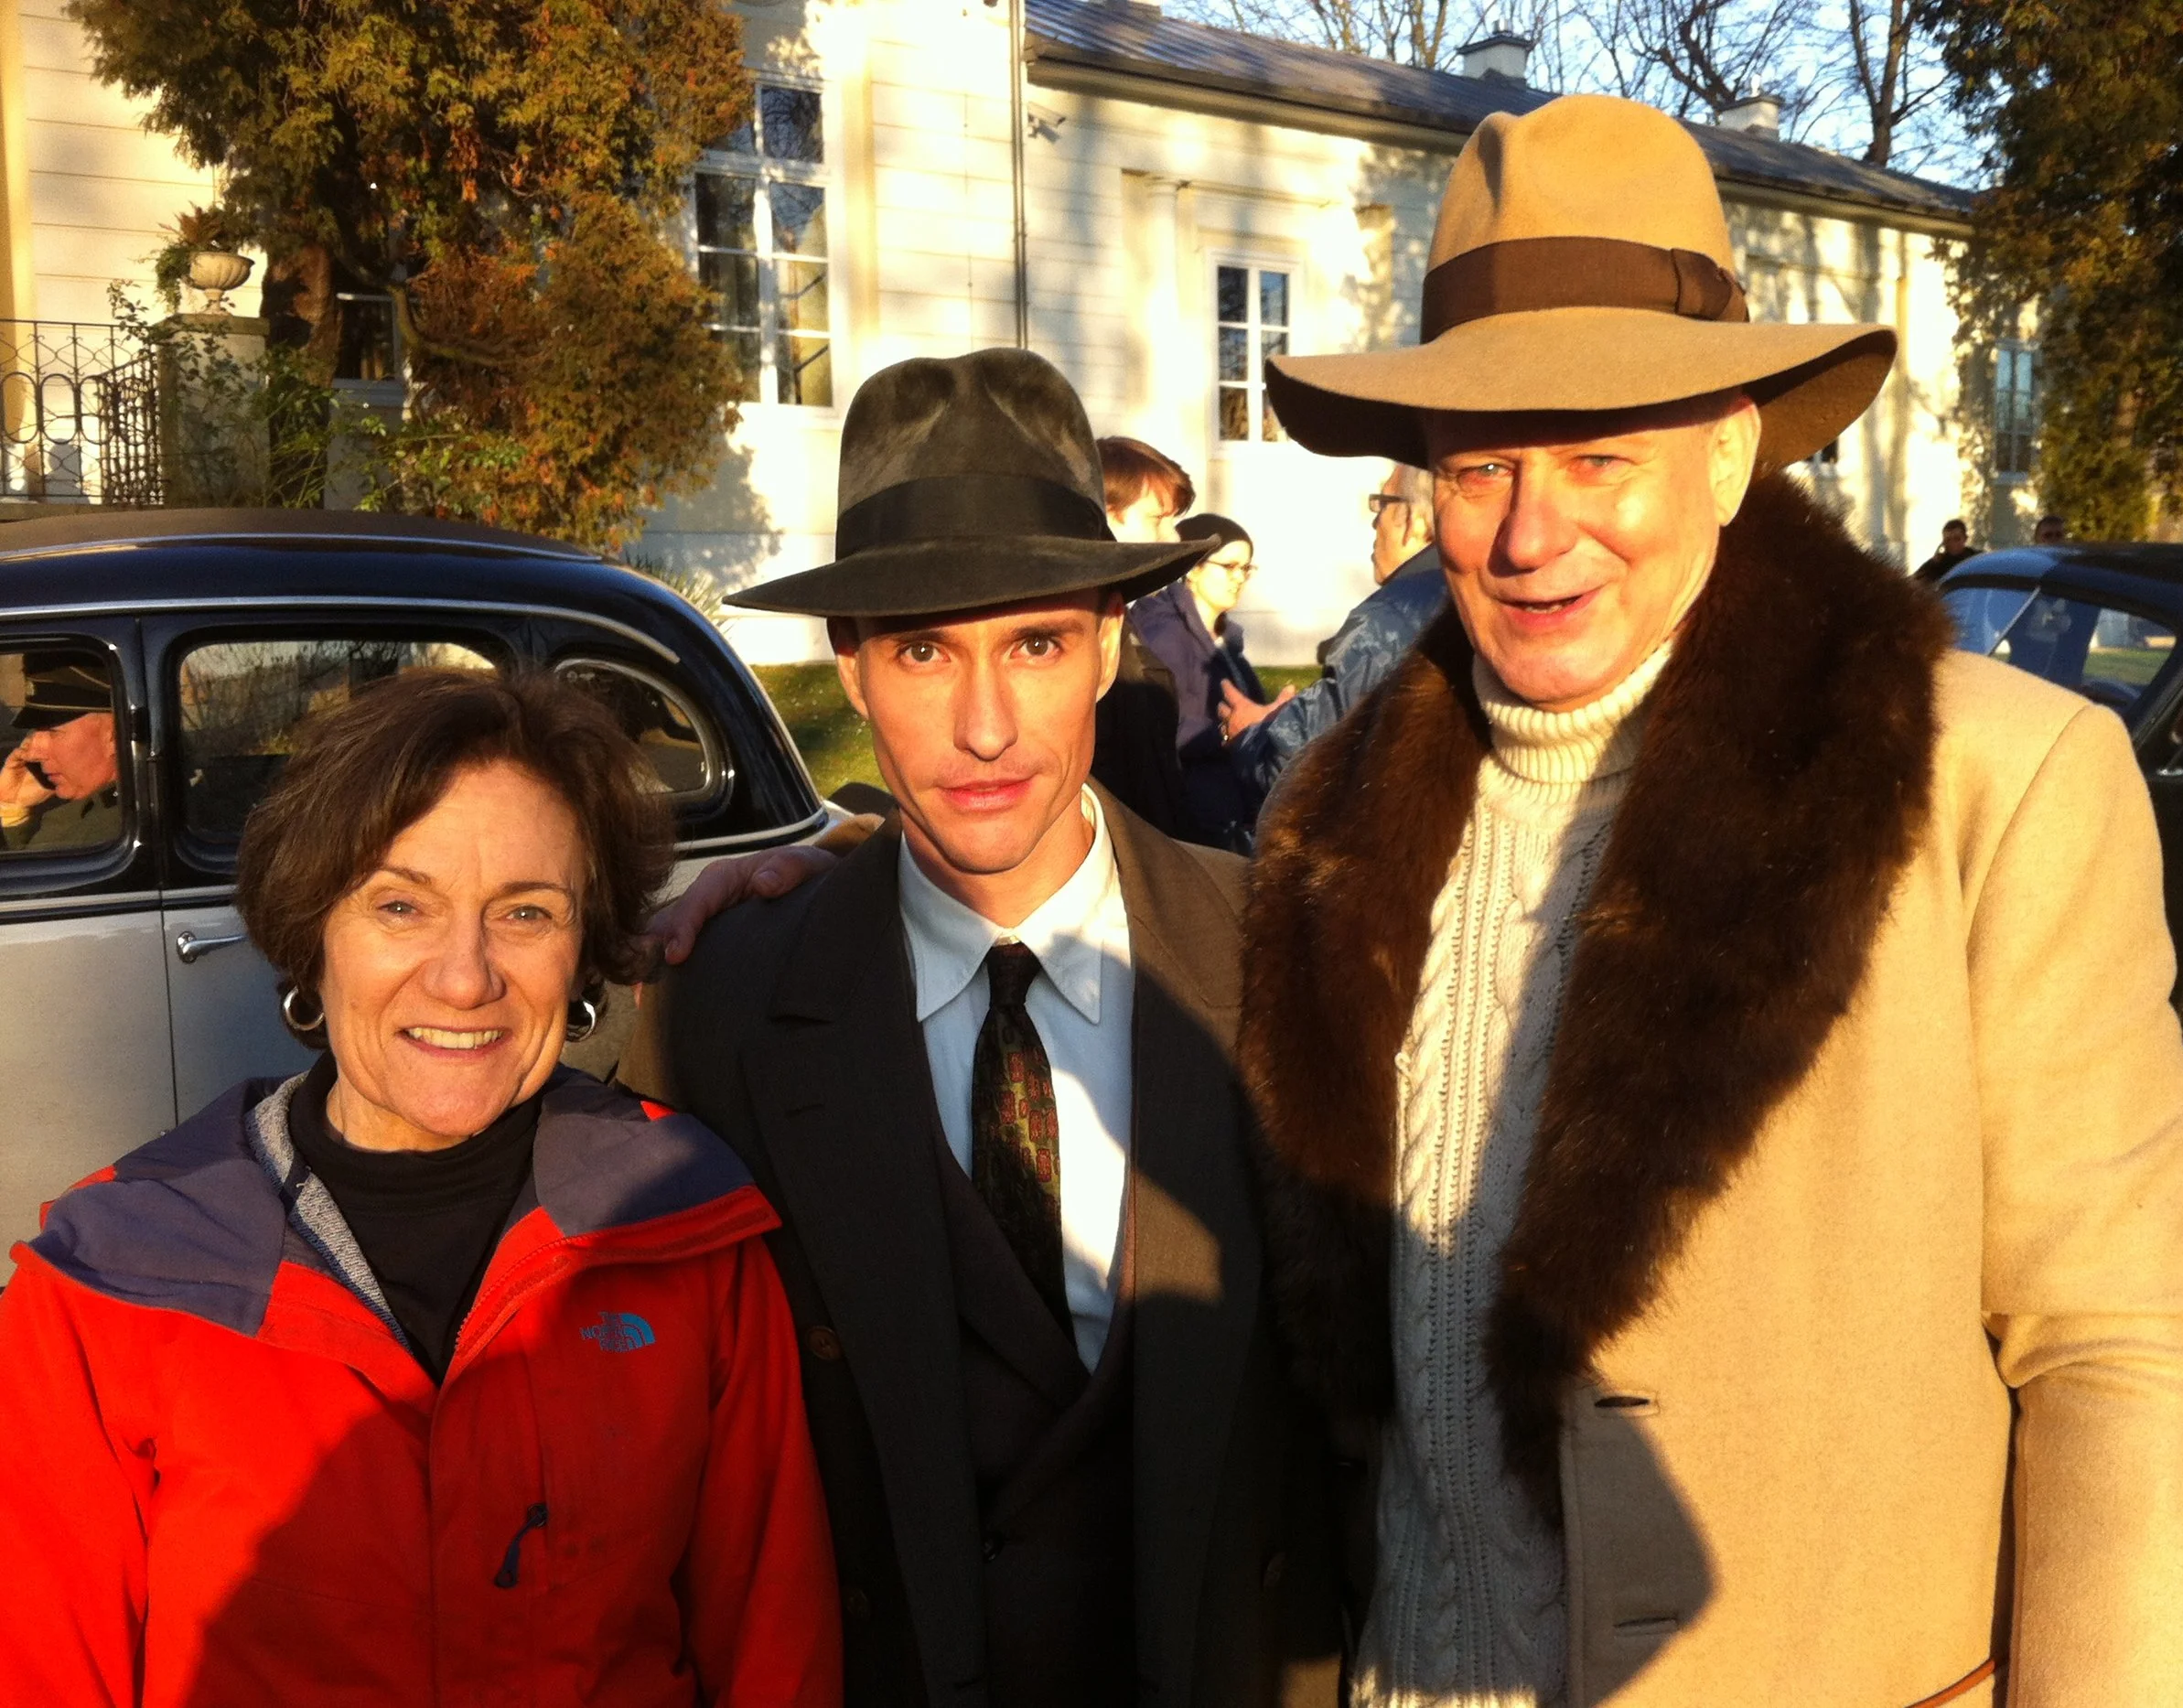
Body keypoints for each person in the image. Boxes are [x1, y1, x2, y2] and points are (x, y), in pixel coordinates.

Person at [1242, 93, 2183, 1705]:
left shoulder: (1987, 789)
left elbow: (2131, 1346)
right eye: (1482, 461)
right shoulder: (1331, 829)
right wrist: (823, 884)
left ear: (1727, 454)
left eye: (1598, 454)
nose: (1531, 530)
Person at [621, 349, 1340, 1708]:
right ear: (848, 660)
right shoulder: (724, 999)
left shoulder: (1281, 956)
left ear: (1113, 642)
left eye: (1036, 642)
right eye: (921, 649)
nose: (986, 724)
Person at [0, 669, 840, 1707]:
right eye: (401, 904)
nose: (464, 976)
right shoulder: (105, 1285)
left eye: (526, 912)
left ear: (584, 955)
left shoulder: (687, 1232)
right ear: (314, 930)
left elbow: (776, 1653)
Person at [1221, 463, 1448, 811]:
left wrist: (1248, 734)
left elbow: (1294, 770)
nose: (1374, 522)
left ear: (1415, 523)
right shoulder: (1466, 597)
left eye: (1383, 504)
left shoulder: (1391, 621)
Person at [1128, 513, 1271, 849]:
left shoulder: (1227, 641)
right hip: (1189, 824)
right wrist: (1228, 731)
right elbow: (1159, 730)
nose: (1239, 578)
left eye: (1246, 569)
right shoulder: (1164, 634)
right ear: (1193, 569)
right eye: (1230, 566)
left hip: (1230, 817)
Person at [1089, 435, 1200, 840]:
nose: (1172, 538)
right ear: (1108, 515)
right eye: (1157, 519)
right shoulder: (1084, 637)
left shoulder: (1124, 626)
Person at [0, 651, 122, 853]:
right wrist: (13, 810)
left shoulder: (105, 830)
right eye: (36, 731)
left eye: (53, 732)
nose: (31, 753)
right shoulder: (101, 814)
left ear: (113, 737)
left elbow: (36, 879)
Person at [1912, 516, 1977, 583]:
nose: (1952, 543)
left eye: (1957, 539)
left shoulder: (1976, 558)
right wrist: (1932, 563)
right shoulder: (1938, 563)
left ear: (1965, 539)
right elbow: (1913, 581)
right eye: (1948, 540)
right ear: (1943, 542)